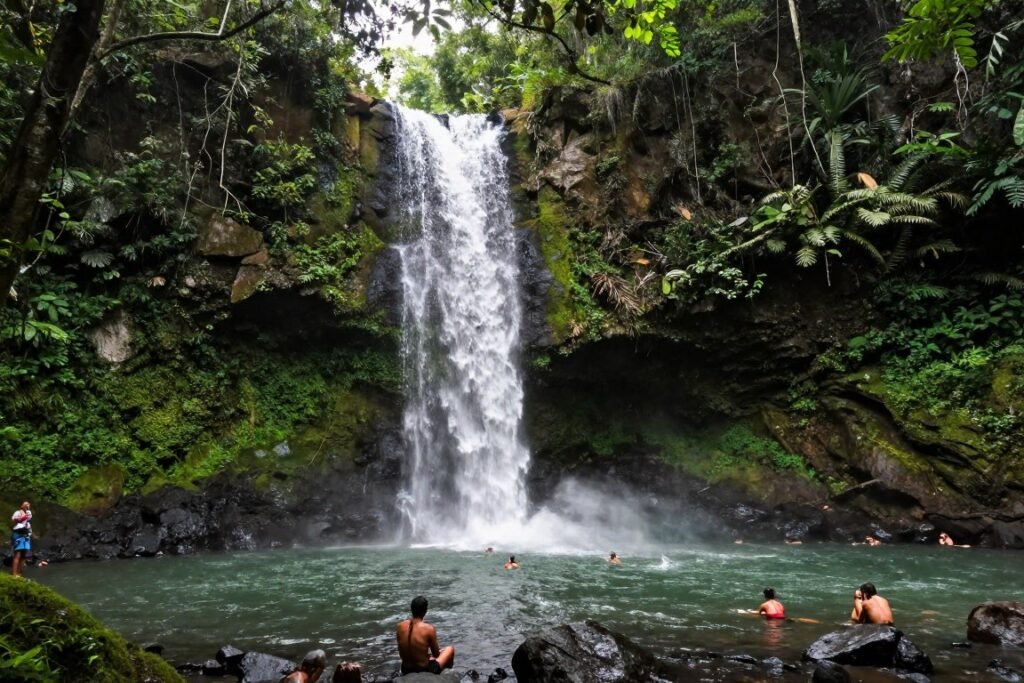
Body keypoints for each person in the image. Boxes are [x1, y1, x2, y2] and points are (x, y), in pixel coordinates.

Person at [396, 596, 455, 675]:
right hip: (424, 670)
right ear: (425, 611)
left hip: (405, 669)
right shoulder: (429, 628)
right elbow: (436, 654)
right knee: (450, 649)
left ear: (411, 609)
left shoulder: (400, 626)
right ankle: (446, 675)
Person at [10, 501, 31, 577]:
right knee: (17, 554)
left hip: (26, 535)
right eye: (25, 504)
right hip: (18, 534)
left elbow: (28, 521)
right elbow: (13, 520)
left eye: (28, 504)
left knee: (23, 555)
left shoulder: (29, 514)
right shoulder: (17, 512)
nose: (27, 505)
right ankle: (14, 574)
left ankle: (19, 573)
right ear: (21, 506)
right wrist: (22, 518)